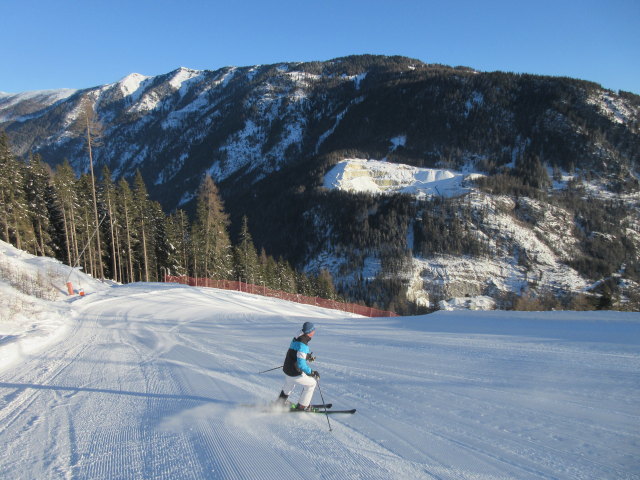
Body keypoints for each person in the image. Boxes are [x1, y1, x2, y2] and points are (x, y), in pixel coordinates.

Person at [276, 321, 320, 411]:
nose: (314, 332)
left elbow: (295, 351)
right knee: (312, 384)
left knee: (289, 383)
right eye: (313, 330)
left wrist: (307, 356)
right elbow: (301, 364)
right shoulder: (303, 344)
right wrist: (312, 372)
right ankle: (303, 406)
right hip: (294, 371)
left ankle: (280, 403)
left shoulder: (297, 337)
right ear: (309, 332)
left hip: (287, 368)